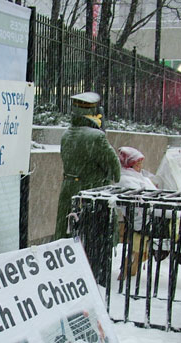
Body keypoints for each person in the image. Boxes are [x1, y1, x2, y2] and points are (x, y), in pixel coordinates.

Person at [54, 92, 121, 240]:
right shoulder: (97, 137)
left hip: (69, 192)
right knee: (93, 239)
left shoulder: (67, 134)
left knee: (69, 234)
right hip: (91, 194)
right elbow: (115, 171)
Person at [116, 146, 157, 277]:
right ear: (130, 164)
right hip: (144, 219)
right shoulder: (126, 180)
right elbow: (143, 201)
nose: (140, 166)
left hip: (149, 216)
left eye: (141, 163)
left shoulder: (139, 177)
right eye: (137, 163)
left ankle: (131, 267)